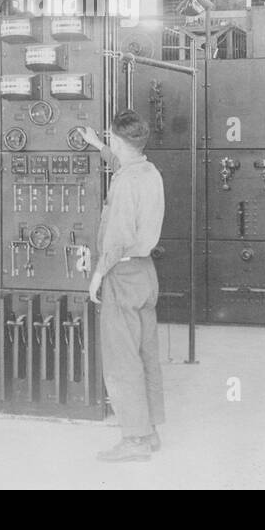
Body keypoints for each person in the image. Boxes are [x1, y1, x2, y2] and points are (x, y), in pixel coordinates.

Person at [83, 110, 165, 463]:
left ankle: (133, 440)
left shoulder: (125, 182)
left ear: (120, 140)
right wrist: (98, 145)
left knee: (121, 360)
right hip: (146, 274)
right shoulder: (148, 172)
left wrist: (98, 274)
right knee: (146, 355)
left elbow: (117, 238)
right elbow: (123, 162)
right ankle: (149, 430)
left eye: (111, 139)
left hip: (122, 273)